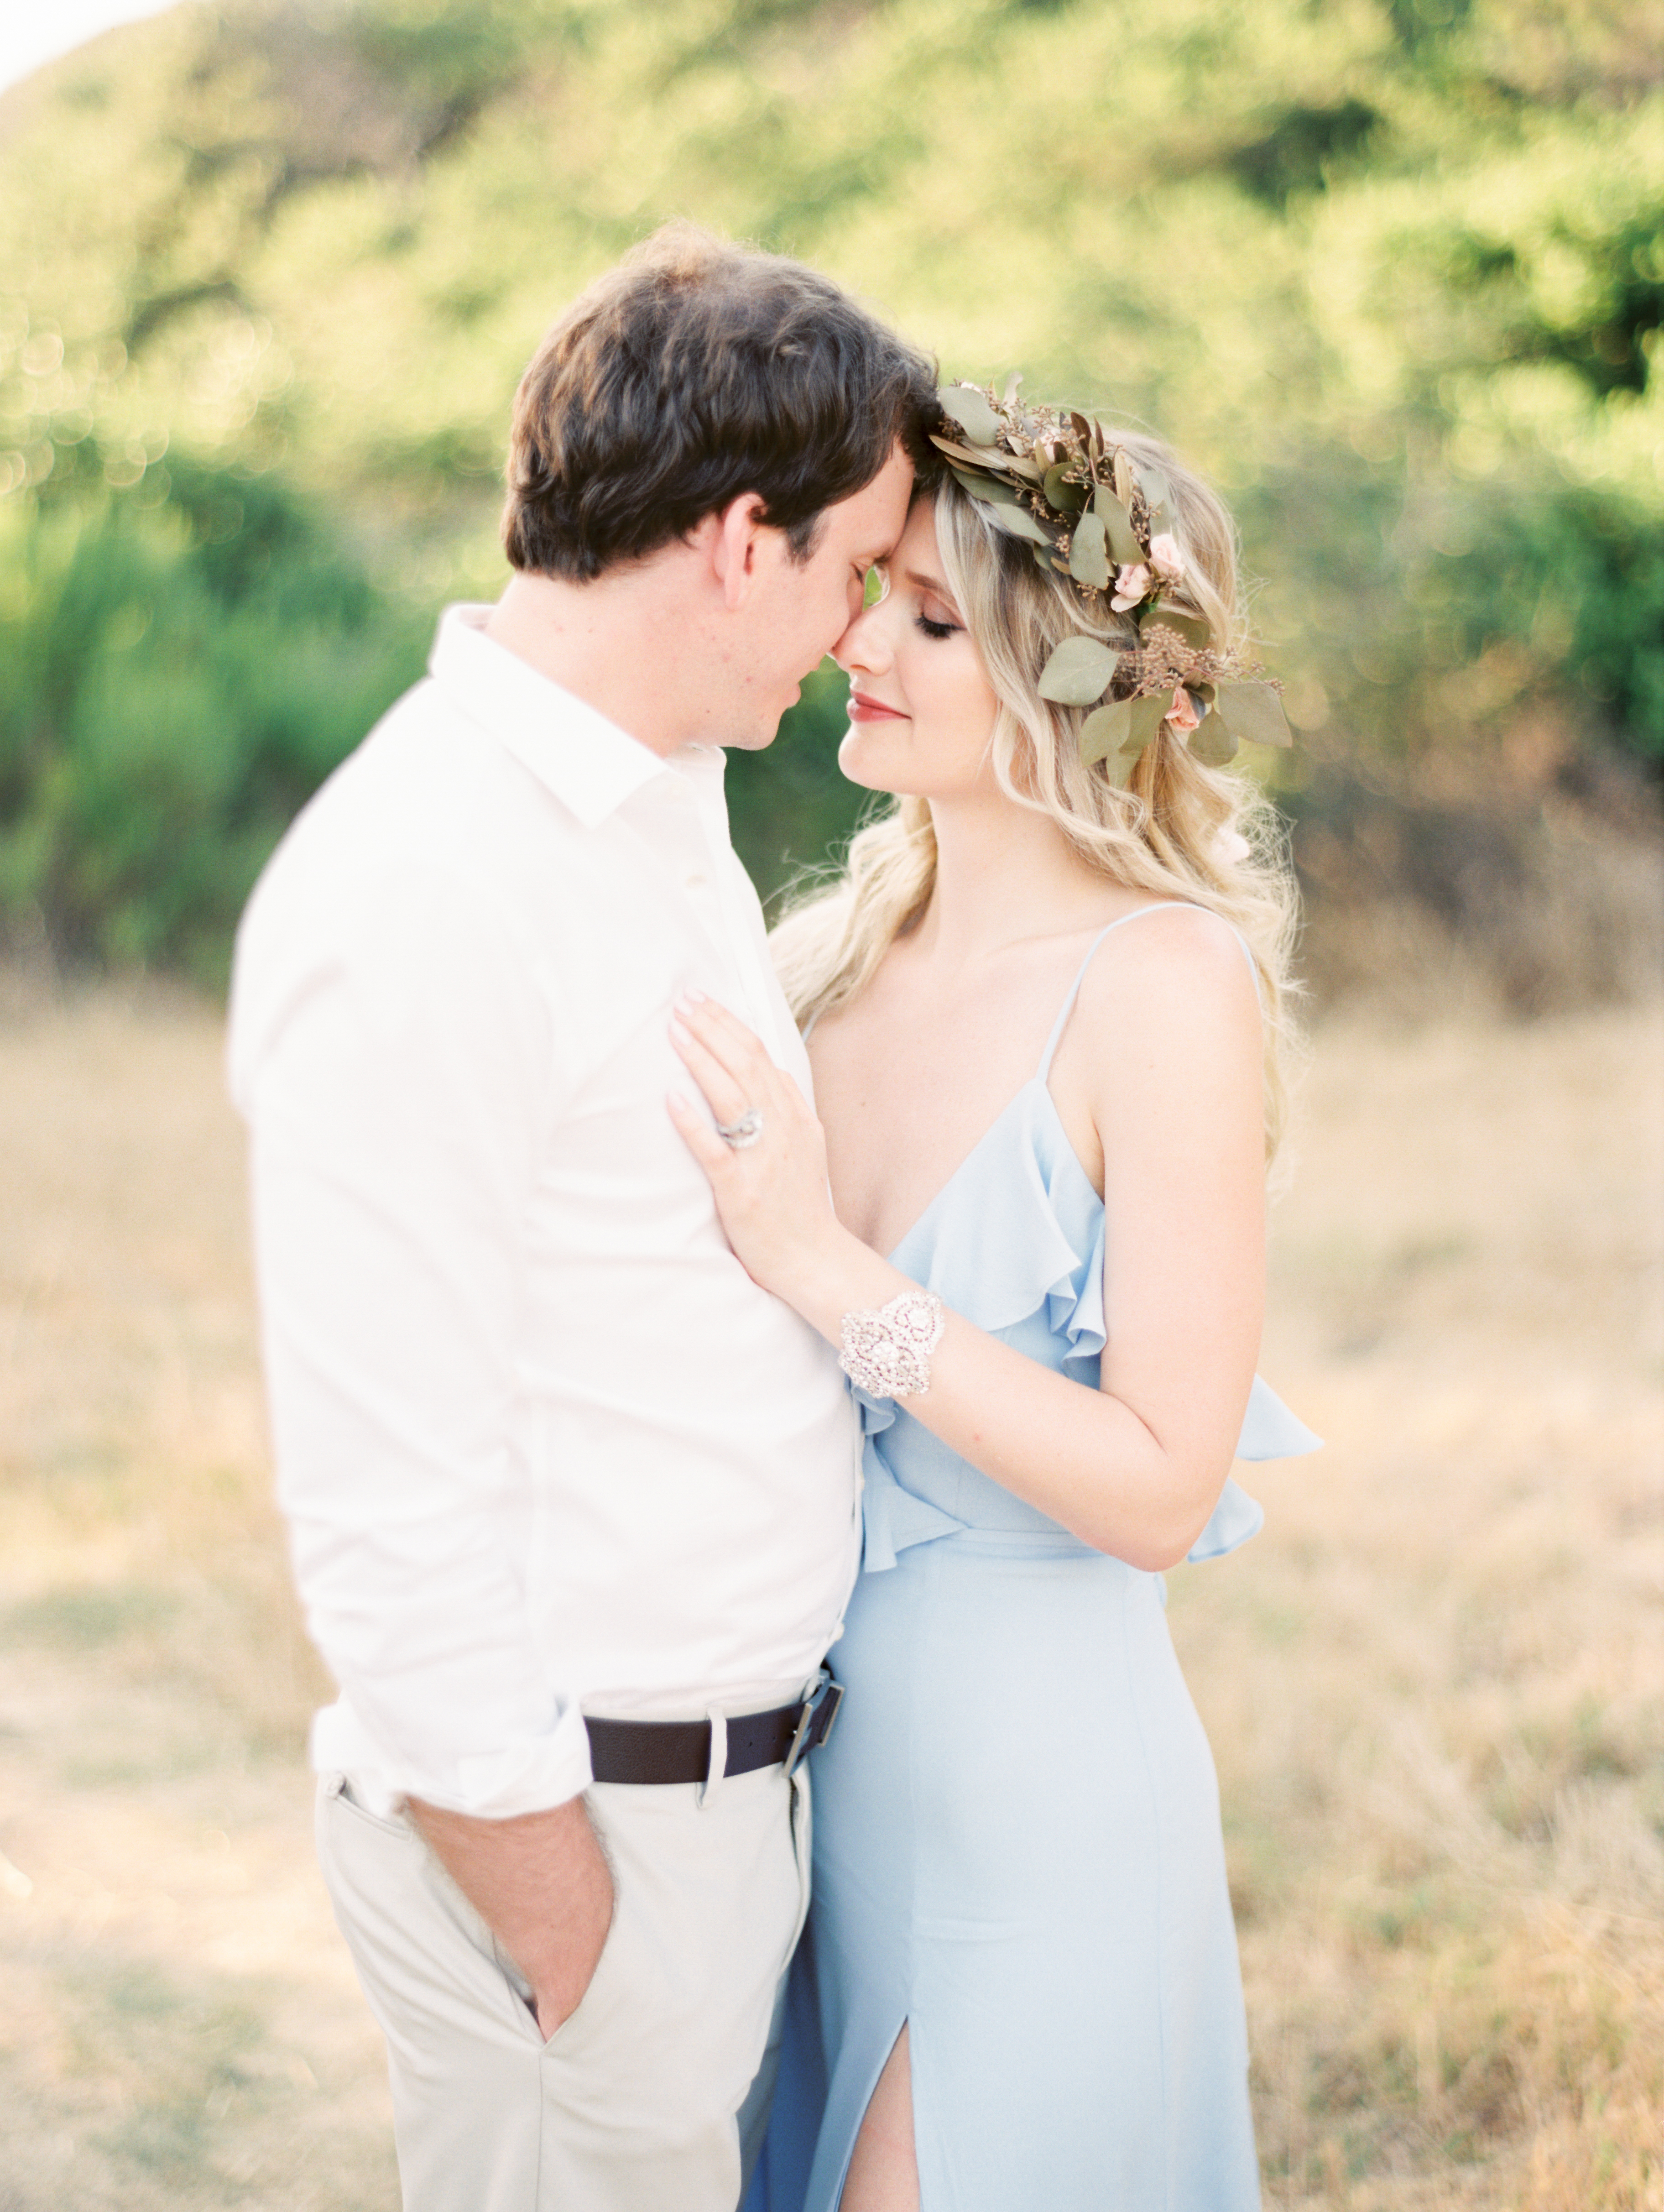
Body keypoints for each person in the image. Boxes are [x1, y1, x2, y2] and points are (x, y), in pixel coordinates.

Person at [226, 223, 941, 2212]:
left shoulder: (645, 811)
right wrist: (580, 1949)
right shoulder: (428, 884)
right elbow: (385, 1513)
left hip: (707, 1826)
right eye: (855, 570)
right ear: (739, 542)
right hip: (582, 1863)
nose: (859, 632)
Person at [667, 387, 1321, 2212]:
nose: (862, 639)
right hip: (799, 1812)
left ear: (1078, 681)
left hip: (1038, 1831)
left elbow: (1161, 1485)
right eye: (878, 589)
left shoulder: (1162, 983)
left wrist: (828, 1269)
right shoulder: (825, 960)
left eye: (935, 621)